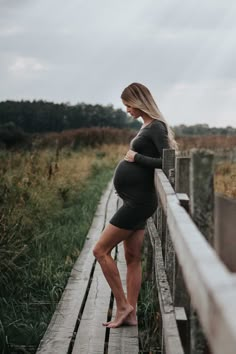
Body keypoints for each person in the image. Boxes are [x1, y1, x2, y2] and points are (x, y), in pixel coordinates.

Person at [93, 82, 178, 328]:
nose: (127, 110)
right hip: (136, 199)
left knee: (100, 250)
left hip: (138, 202)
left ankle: (122, 306)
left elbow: (167, 162)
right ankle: (131, 314)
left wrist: (135, 157)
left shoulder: (156, 127)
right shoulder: (147, 126)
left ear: (139, 101)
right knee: (132, 256)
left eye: (128, 104)